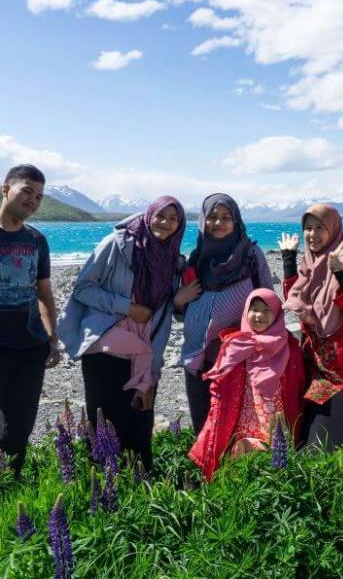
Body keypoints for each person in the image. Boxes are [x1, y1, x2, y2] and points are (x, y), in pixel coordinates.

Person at [58, 197, 186, 470]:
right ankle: (100, 495)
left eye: (173, 218)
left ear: (180, 225)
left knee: (139, 429)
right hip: (106, 350)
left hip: (143, 352)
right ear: (148, 215)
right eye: (160, 215)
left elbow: (162, 321)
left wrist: (152, 371)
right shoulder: (116, 244)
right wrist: (127, 307)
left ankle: (138, 498)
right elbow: (83, 288)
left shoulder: (173, 262)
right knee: (104, 427)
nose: (165, 223)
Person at [280, 203, 343, 458]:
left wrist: (341, 274)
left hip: (342, 376)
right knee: (308, 450)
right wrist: (289, 260)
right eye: (307, 228)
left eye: (319, 228)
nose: (312, 234)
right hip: (313, 373)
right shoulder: (309, 263)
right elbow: (297, 301)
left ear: (333, 228)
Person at [176, 194, 273, 435]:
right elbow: (182, 314)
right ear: (202, 221)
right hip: (198, 360)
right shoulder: (197, 258)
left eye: (226, 217)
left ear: (236, 221)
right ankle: (206, 474)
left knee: (236, 431)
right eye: (212, 217)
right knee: (203, 430)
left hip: (237, 361)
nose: (218, 223)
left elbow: (268, 301)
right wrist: (179, 301)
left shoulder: (251, 255)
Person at [188, 288, 305, 480]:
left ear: (276, 314)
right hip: (242, 420)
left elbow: (298, 381)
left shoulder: (288, 346)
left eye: (267, 311)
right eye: (254, 309)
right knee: (240, 465)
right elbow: (220, 382)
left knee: (275, 463)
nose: (259, 315)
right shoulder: (236, 345)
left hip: (275, 419)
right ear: (245, 312)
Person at [0, 164, 60, 477]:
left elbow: (45, 294)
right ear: (5, 189)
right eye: (27, 191)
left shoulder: (37, 240)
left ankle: (11, 489)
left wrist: (53, 338)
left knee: (19, 428)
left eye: (38, 196)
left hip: (30, 347)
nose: (33, 200)